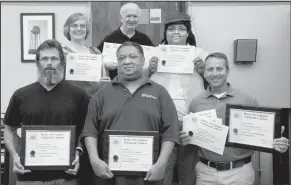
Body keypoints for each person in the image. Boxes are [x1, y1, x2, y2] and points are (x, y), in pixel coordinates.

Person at [180, 52, 290, 185]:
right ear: (204, 73)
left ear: (228, 71)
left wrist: (276, 141)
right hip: (205, 173)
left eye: (219, 68)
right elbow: (191, 140)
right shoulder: (196, 103)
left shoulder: (247, 99)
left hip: (240, 173)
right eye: (210, 69)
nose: (215, 73)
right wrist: (185, 139)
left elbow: (261, 133)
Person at [81, 41, 180, 185]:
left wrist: (162, 164)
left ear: (142, 60)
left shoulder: (160, 92)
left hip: (149, 174)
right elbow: (90, 131)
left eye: (133, 57)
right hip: (109, 175)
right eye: (121, 58)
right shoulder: (102, 94)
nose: (127, 61)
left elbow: (171, 132)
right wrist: (94, 160)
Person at [3, 39, 89, 185]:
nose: (49, 63)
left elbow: (86, 130)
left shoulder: (79, 95)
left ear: (62, 62)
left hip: (66, 176)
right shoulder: (21, 95)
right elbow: (9, 129)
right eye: (44, 58)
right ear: (37, 63)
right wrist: (16, 156)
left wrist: (78, 152)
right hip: (28, 177)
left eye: (54, 58)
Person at [148, 13, 209, 185]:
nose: (176, 32)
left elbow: (215, 81)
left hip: (191, 118)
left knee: (188, 168)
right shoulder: (154, 52)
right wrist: (149, 70)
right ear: (165, 33)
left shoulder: (200, 53)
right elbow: (138, 82)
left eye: (181, 29)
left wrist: (203, 71)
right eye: (171, 29)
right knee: (163, 167)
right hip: (161, 119)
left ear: (188, 33)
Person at [97, 3, 154, 80]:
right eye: (128, 16)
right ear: (121, 18)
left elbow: (153, 61)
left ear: (139, 18)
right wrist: (104, 64)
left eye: (135, 16)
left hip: (140, 84)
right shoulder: (110, 39)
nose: (132, 19)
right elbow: (96, 61)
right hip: (117, 85)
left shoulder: (145, 39)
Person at [63, 12, 110, 98]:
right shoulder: (62, 53)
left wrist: (106, 82)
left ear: (86, 30)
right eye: (74, 26)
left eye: (82, 26)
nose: (78, 29)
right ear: (68, 30)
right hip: (71, 103)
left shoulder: (96, 52)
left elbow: (103, 79)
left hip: (94, 102)